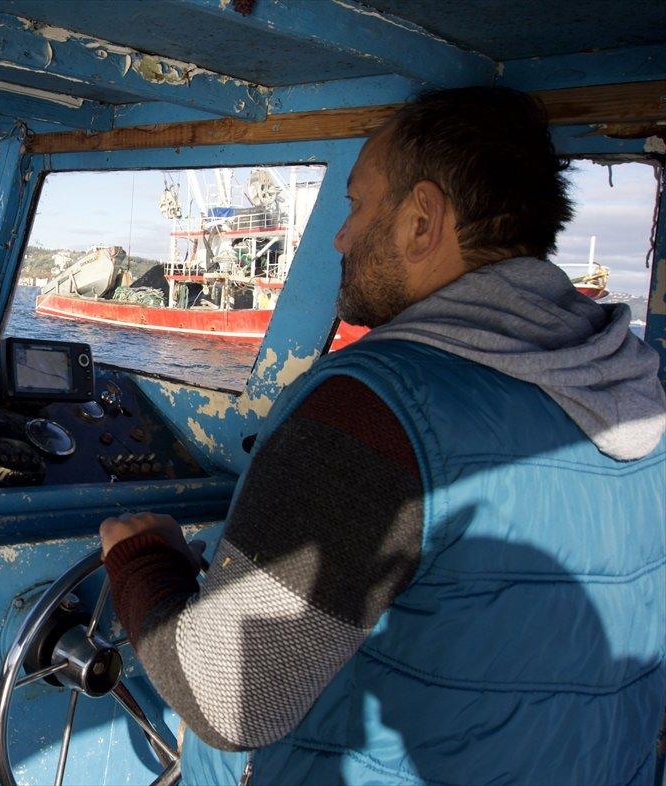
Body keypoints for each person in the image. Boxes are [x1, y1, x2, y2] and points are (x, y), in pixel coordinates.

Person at [99, 86, 666, 785]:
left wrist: (142, 561)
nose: (340, 237)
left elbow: (227, 698)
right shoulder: (637, 389)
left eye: (356, 205)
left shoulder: (378, 407)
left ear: (422, 221)